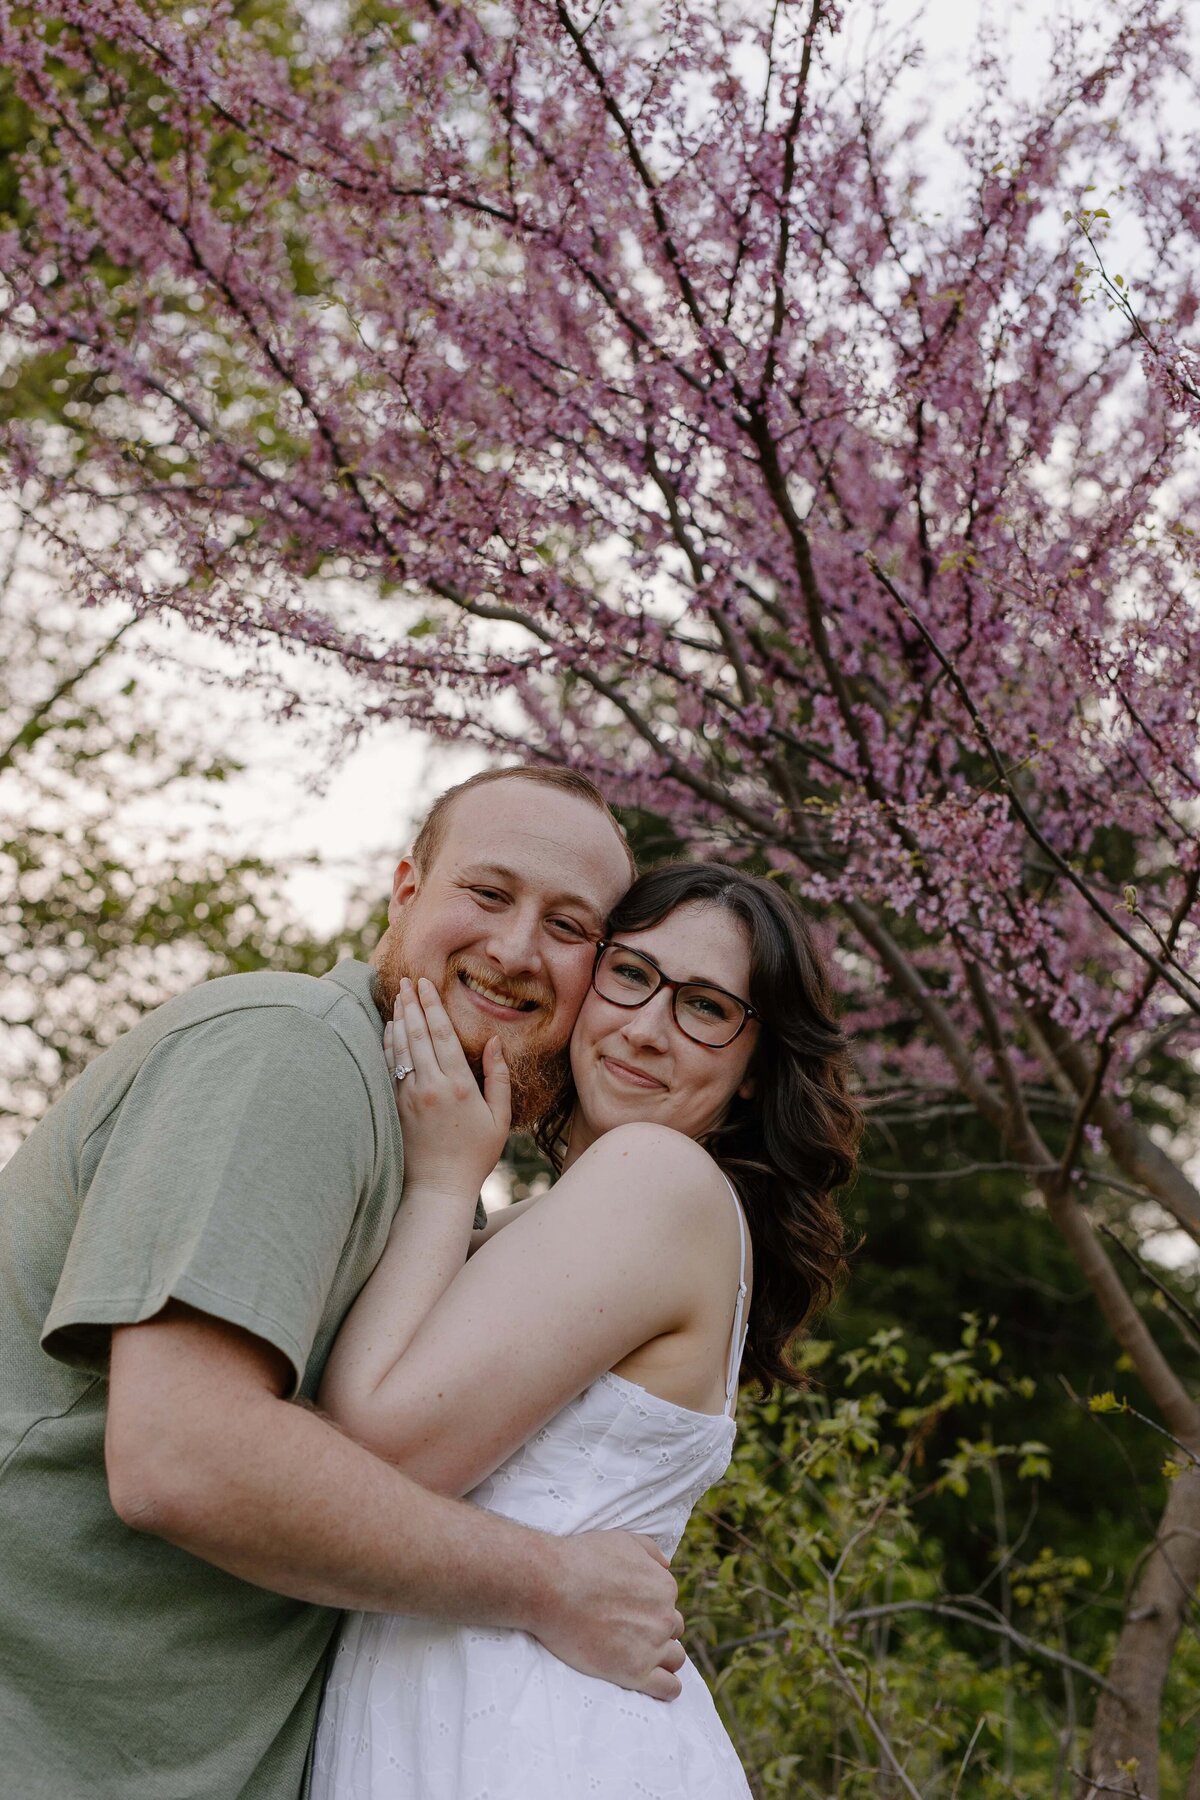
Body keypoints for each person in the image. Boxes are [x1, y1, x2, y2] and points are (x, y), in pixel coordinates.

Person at [0, 766, 687, 1800]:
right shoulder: (288, 1054)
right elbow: (179, 1453)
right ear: (406, 890)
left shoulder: (435, 1171)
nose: (513, 949)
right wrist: (550, 1585)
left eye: (567, 926)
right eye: (488, 893)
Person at [311, 861, 862, 1799]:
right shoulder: (570, 1216)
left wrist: (446, 1181)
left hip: (535, 1736)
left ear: (756, 1061)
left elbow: (372, 1463)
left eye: (705, 1007)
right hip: (461, 1706)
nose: (646, 1029)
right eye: (632, 975)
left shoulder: (658, 1178)